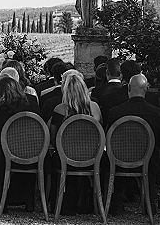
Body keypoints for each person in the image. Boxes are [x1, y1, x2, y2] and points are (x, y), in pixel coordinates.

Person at [107, 74, 160, 214]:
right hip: (147, 160)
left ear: (128, 89)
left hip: (118, 160)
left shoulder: (115, 112)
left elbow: (108, 139)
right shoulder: (157, 114)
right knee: (155, 154)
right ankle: (149, 204)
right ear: (146, 90)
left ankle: (115, 203)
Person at [0, 77, 41, 213]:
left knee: (0, 149)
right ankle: (29, 201)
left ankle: (0, 201)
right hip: (33, 153)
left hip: (6, 155)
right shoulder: (32, 105)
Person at [49, 69, 102, 215]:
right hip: (92, 159)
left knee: (53, 159)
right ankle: (90, 204)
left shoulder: (60, 110)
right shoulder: (95, 108)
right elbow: (100, 132)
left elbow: (53, 138)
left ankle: (59, 203)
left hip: (65, 158)